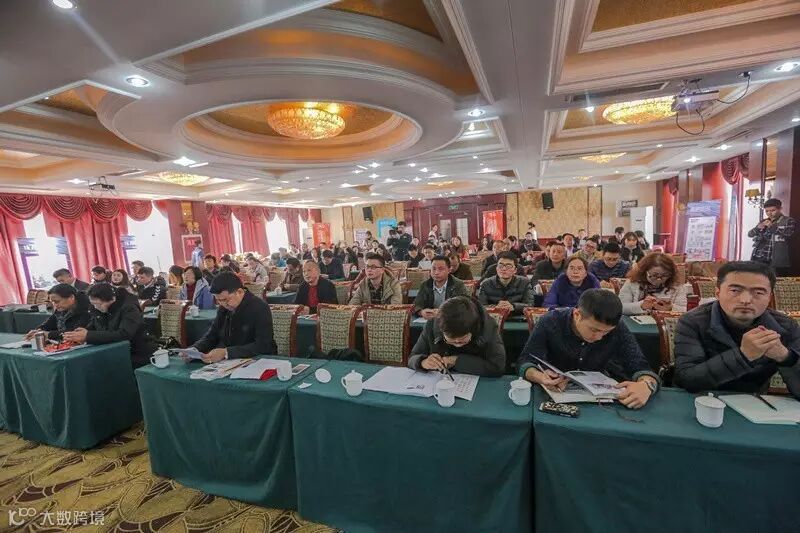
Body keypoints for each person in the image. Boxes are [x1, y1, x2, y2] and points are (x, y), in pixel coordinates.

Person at [673, 261, 800, 397]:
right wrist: (743, 355)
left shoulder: (785, 326)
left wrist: (786, 357)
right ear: (718, 292)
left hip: (754, 403)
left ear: (769, 298)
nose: (745, 300)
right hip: (702, 400)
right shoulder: (693, 322)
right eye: (735, 291)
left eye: (758, 292)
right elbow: (687, 380)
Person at [518, 289, 660, 409]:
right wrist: (539, 376)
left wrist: (646, 386)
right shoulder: (551, 321)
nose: (599, 337)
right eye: (594, 330)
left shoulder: (618, 328)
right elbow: (525, 361)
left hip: (599, 400)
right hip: (552, 394)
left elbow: (639, 365)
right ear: (577, 315)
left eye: (606, 332)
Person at [62, 284, 157, 368]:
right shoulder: (98, 309)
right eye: (93, 304)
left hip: (135, 352)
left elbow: (124, 334)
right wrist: (81, 334)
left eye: (97, 304)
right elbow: (93, 327)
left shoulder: (129, 308)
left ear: (112, 299)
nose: (95, 307)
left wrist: (88, 336)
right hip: (110, 350)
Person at [189, 272, 277, 363]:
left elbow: (263, 345)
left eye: (225, 300)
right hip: (230, 361)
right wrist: (195, 349)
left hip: (258, 361)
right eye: (219, 300)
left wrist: (226, 352)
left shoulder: (259, 307)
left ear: (240, 292)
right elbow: (212, 335)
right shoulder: (224, 307)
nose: (223, 304)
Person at [409, 296, 505, 377]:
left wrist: (456, 360)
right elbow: (412, 358)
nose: (457, 344)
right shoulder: (431, 325)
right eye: (451, 340)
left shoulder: (488, 327)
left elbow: (497, 367)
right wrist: (423, 362)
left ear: (473, 329)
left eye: (462, 340)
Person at [618, 253, 687, 315]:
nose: (659, 279)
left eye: (665, 275)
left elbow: (685, 311)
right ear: (644, 272)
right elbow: (621, 307)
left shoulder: (677, 287)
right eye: (654, 275)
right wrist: (641, 306)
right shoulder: (632, 283)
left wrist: (671, 308)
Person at [24, 284, 91, 341]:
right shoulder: (61, 309)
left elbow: (74, 333)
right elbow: (48, 324)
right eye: (52, 302)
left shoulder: (87, 310)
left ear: (71, 297)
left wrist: (48, 334)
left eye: (57, 301)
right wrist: (38, 330)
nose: (55, 305)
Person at [748, 198, 796, 276]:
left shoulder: (789, 221)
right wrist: (757, 228)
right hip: (758, 256)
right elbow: (750, 234)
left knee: (775, 280)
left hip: (776, 259)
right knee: (758, 279)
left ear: (780, 209)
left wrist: (772, 226)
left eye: (773, 210)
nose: (769, 213)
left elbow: (788, 235)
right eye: (767, 211)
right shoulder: (763, 221)